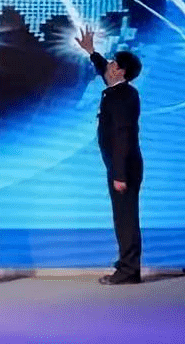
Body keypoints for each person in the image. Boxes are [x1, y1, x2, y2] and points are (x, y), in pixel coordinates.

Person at [76, 27, 143, 285]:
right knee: (122, 217)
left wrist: (119, 174)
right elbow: (102, 67)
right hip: (119, 166)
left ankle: (128, 270)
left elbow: (123, 136)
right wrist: (91, 51)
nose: (108, 65)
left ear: (121, 72)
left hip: (124, 167)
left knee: (126, 219)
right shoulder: (118, 89)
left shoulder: (123, 96)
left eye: (113, 63)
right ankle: (127, 266)